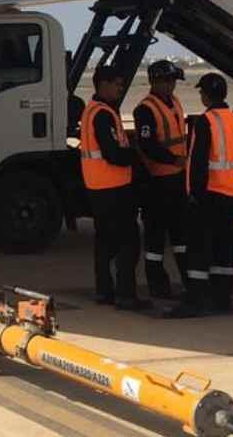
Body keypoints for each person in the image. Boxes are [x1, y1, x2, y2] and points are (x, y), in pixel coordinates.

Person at [164, 73, 233, 319]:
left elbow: (198, 162)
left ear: (206, 96)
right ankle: (222, 296)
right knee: (224, 247)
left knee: (198, 248)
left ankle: (195, 298)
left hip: (210, 194)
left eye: (201, 92)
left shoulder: (206, 121)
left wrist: (195, 194)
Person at [78, 66, 151, 310]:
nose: (121, 89)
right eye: (117, 84)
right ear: (104, 84)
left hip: (98, 186)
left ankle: (105, 291)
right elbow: (112, 153)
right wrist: (136, 157)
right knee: (128, 242)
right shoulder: (102, 114)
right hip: (113, 187)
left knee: (105, 242)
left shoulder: (93, 110)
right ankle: (125, 294)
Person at [133, 60, 188, 299]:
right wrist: (173, 159)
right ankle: (157, 284)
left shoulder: (174, 102)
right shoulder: (145, 109)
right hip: (157, 181)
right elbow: (147, 145)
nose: (172, 85)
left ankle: (188, 278)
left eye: (173, 81)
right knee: (155, 237)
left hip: (177, 178)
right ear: (156, 82)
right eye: (169, 81)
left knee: (180, 234)